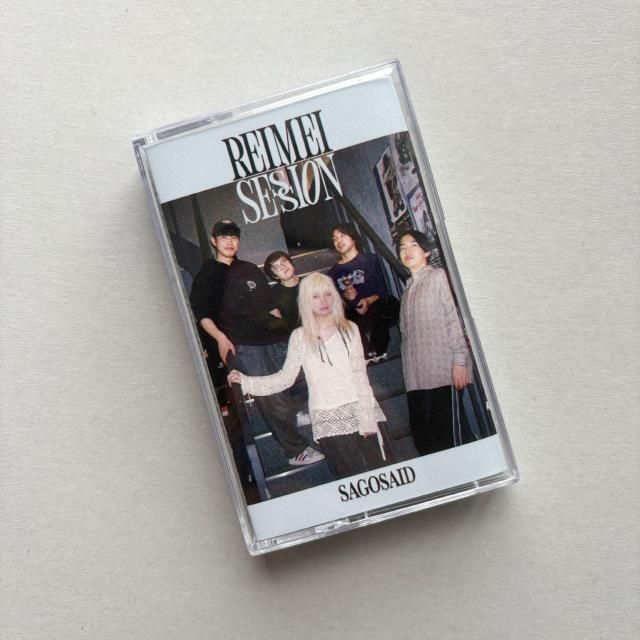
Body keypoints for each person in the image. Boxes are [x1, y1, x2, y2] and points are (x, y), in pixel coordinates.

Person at [189, 219, 324, 467]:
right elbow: (203, 314)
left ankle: (294, 411)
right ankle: (295, 451)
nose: (230, 242)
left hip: (274, 336)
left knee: (301, 376)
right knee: (270, 396)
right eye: (224, 237)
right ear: (213, 241)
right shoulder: (208, 273)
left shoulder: (249, 268)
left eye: (234, 237)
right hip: (245, 344)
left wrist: (285, 331)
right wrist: (220, 338)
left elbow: (270, 305)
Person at [228, 273, 388, 479]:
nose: (324, 301)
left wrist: (366, 419)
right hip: (328, 420)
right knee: (351, 483)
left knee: (387, 478)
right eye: (315, 296)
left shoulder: (350, 328)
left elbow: (360, 375)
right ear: (306, 301)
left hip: (363, 411)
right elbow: (285, 378)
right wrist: (246, 382)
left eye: (328, 294)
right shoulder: (299, 337)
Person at [396, 230, 473, 455]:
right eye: (402, 247)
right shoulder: (407, 290)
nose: (407, 251)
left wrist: (460, 361)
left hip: (442, 373)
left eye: (413, 245)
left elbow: (452, 318)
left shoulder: (438, 276)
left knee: (451, 439)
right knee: (425, 442)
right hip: (416, 380)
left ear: (427, 251)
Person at [327, 223, 398, 363]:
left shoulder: (370, 259)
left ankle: (378, 350)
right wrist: (345, 297)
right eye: (335, 239)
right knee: (340, 315)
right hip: (353, 312)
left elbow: (382, 289)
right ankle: (364, 353)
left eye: (342, 235)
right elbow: (335, 300)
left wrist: (367, 301)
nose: (338, 241)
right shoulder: (332, 273)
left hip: (374, 306)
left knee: (389, 304)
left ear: (353, 237)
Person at [263, 251, 301, 332]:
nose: (283, 267)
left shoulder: (310, 281)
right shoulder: (272, 295)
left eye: (284, 261)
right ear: (274, 276)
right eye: (277, 267)